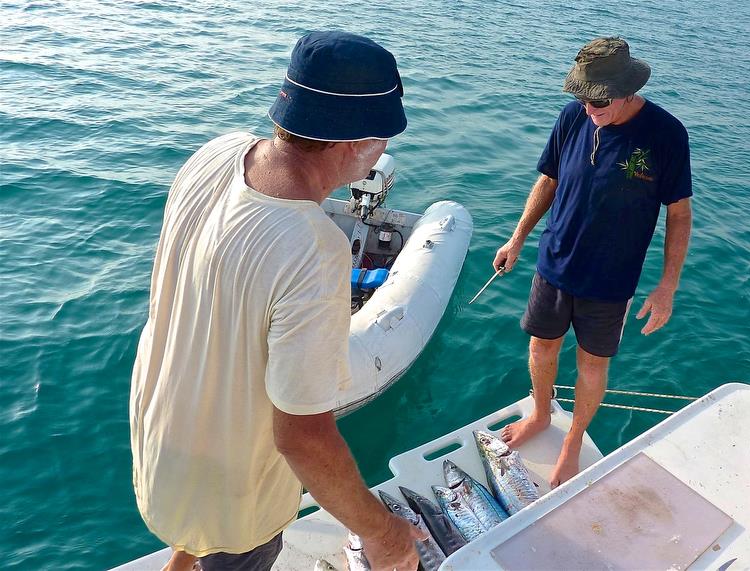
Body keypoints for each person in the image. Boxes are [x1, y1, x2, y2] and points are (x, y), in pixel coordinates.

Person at [129, 31, 425, 571]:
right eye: (385, 135)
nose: (386, 148)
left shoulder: (216, 154)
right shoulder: (313, 251)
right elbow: (302, 437)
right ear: (355, 143)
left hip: (161, 435)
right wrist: (383, 533)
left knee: (197, 535)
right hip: (234, 493)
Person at [494, 37, 693, 488]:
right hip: (554, 263)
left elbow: (679, 213)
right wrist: (518, 238)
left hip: (610, 281)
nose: (590, 107)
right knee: (541, 346)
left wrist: (667, 288)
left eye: (599, 98)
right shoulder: (572, 117)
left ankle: (573, 439)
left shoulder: (665, 134)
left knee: (591, 364)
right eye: (582, 96)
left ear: (627, 89)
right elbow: (548, 179)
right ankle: (542, 414)